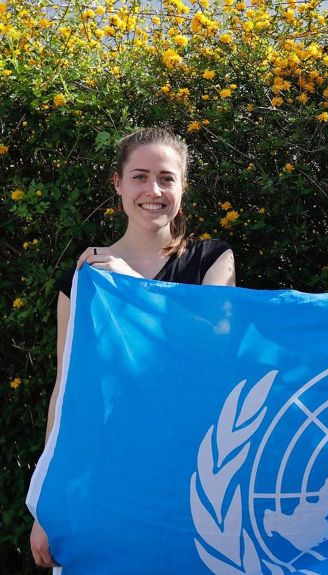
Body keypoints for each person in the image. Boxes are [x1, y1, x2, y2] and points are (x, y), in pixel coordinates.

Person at [29, 127, 236, 568]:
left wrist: (135, 287)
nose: (153, 191)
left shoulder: (213, 260)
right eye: (139, 176)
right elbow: (67, 393)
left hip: (192, 472)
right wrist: (50, 497)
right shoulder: (84, 281)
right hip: (107, 474)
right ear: (118, 184)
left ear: (183, 187)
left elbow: (215, 347)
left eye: (166, 178)